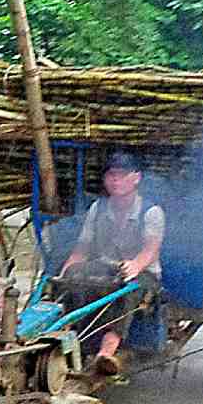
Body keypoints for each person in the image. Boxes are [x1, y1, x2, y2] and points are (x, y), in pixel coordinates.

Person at [59, 149, 165, 376]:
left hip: (143, 273)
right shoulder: (98, 208)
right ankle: (66, 339)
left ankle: (106, 352)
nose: (116, 180)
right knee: (71, 279)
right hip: (106, 267)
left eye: (122, 175)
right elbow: (82, 248)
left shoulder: (151, 212)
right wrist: (66, 272)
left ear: (136, 178)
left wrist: (135, 265)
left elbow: (151, 250)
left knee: (126, 290)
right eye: (111, 175)